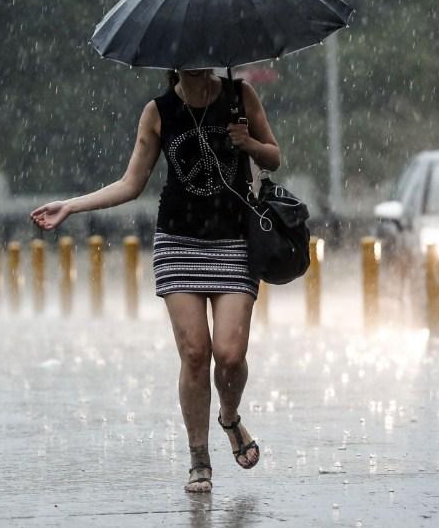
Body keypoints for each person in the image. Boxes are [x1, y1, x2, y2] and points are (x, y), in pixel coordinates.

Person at [31, 69, 281, 493]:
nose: (195, 64)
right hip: (178, 243)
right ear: (172, 62)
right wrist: (71, 206)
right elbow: (131, 183)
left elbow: (273, 157)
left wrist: (249, 143)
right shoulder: (159, 111)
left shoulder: (241, 96)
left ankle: (229, 416)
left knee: (231, 354)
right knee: (196, 353)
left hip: (234, 241)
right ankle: (199, 459)